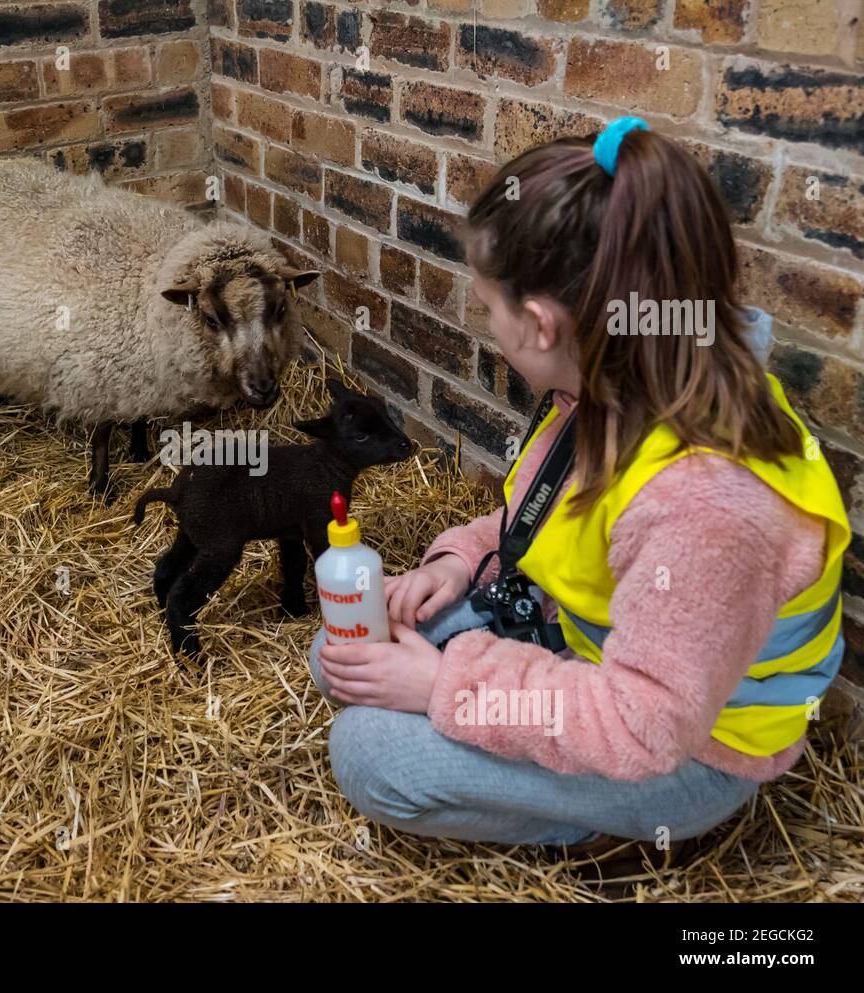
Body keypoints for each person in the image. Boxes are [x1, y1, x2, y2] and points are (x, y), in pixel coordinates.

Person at [307, 118, 850, 858]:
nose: (488, 321)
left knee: (369, 752)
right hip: (588, 643)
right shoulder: (618, 375)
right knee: (341, 649)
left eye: (487, 305)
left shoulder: (707, 504)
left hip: (690, 751)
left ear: (537, 323)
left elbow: (646, 724)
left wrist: (445, 685)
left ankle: (605, 831)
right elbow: (548, 518)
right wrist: (458, 563)